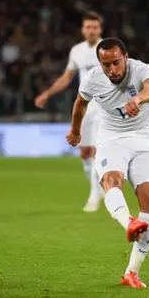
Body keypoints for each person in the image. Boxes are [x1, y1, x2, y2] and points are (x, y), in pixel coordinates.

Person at [66, 37, 149, 288]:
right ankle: (128, 222)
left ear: (126, 57)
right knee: (112, 180)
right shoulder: (92, 78)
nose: (112, 70)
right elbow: (80, 104)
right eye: (106, 65)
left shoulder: (143, 70)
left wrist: (138, 99)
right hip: (111, 138)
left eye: (116, 63)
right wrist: (76, 131)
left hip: (142, 138)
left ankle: (131, 272)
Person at [35, 11, 104, 212]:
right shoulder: (77, 51)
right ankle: (97, 189)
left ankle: (94, 196)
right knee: (84, 153)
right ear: (83, 30)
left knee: (97, 151)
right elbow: (67, 78)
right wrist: (47, 94)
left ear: (100, 29)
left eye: (95, 27)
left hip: (104, 105)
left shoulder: (108, 48)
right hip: (84, 105)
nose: (91, 31)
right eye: (88, 27)